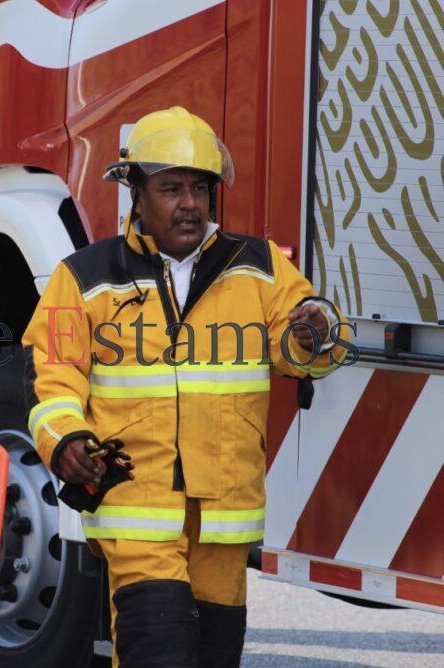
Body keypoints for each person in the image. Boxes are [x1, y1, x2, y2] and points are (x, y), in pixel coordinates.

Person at [22, 107, 349, 667]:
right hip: (136, 508)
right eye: (171, 188)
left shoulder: (260, 268)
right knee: (159, 650)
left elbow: (309, 348)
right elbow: (53, 375)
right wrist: (67, 439)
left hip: (224, 514)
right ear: (137, 195)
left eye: (199, 188)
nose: (190, 203)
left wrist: (315, 331)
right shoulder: (83, 277)